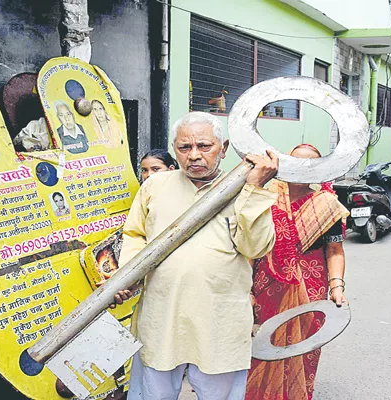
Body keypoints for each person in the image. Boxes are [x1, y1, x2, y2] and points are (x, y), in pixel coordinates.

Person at [114, 111, 279, 400]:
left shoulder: (245, 187)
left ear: (224, 148)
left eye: (204, 146)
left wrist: (254, 189)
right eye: (184, 148)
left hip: (218, 314)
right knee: (154, 392)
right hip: (162, 311)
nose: (194, 156)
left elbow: (256, 248)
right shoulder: (155, 185)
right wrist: (128, 276)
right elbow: (135, 234)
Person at [246, 144, 349, 400]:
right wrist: (245, 289)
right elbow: (249, 247)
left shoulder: (327, 204)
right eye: (295, 162)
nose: (301, 169)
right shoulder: (265, 196)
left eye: (309, 164)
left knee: (303, 347)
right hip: (266, 283)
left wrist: (337, 287)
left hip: (311, 286)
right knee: (261, 343)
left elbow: (334, 250)